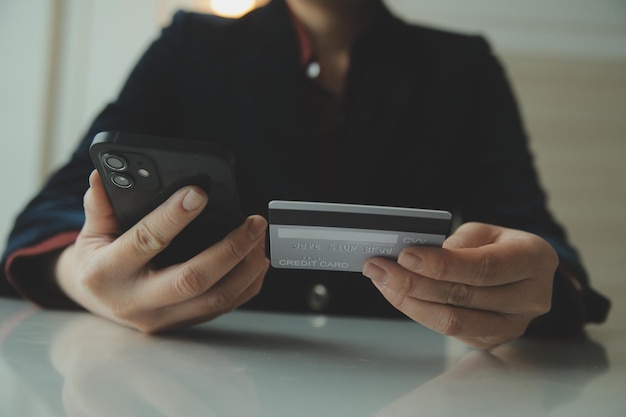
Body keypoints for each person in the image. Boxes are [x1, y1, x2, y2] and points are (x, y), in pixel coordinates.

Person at [0, 0, 610, 349]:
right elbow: (56, 211)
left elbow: (538, 242)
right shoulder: (189, 43)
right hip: (194, 377)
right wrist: (83, 275)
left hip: (400, 386)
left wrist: (535, 283)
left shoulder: (464, 67)